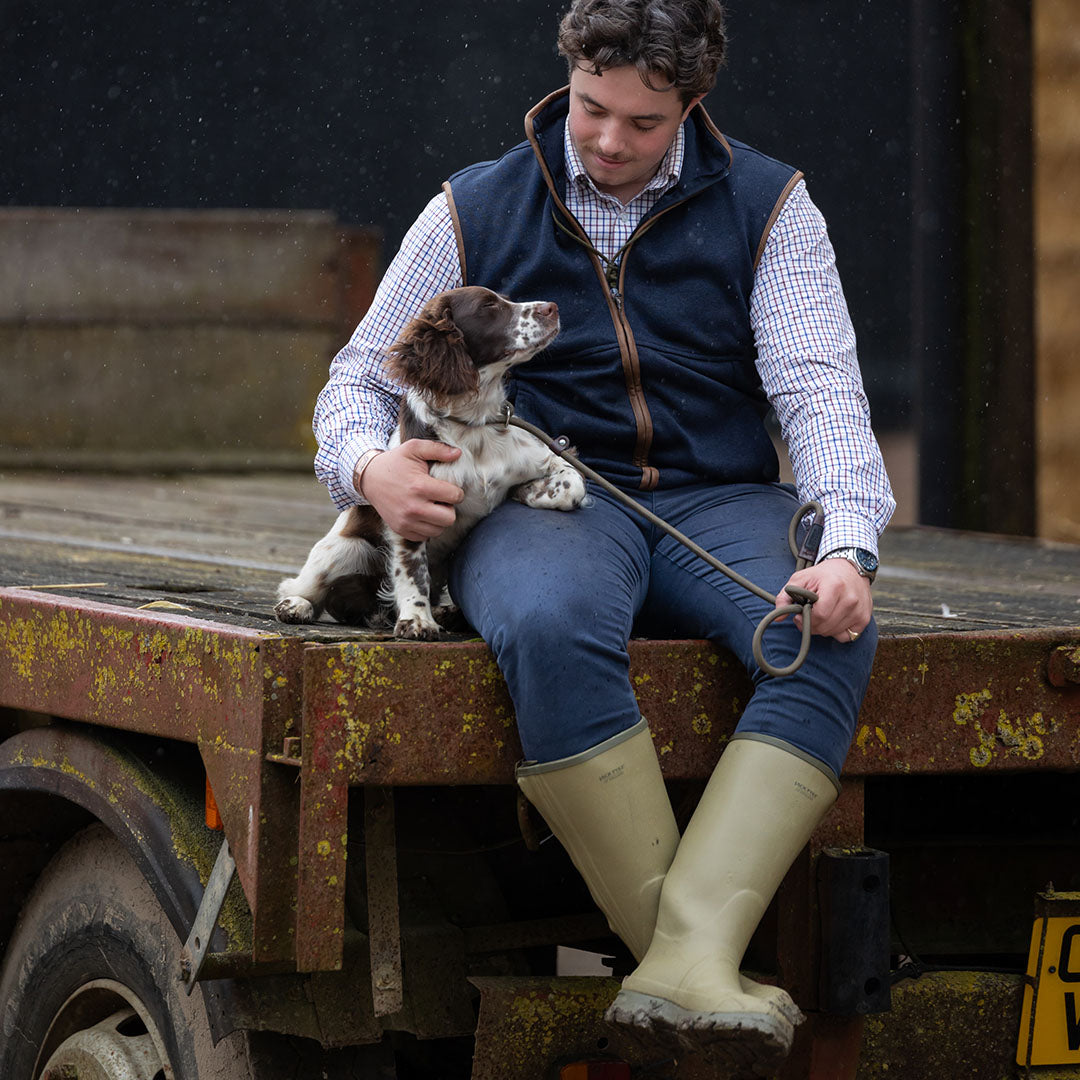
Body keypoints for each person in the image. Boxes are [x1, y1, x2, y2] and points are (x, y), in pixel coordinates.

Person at [313, 0, 896, 1071]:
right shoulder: (473, 205)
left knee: (827, 626)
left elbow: (822, 394)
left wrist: (847, 547)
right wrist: (369, 466)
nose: (611, 141)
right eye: (592, 109)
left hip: (723, 499)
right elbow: (355, 378)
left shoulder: (772, 205)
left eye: (644, 122)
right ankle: (692, 969)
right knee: (543, 622)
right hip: (551, 496)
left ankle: (678, 967)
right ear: (569, 75)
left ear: (693, 103)